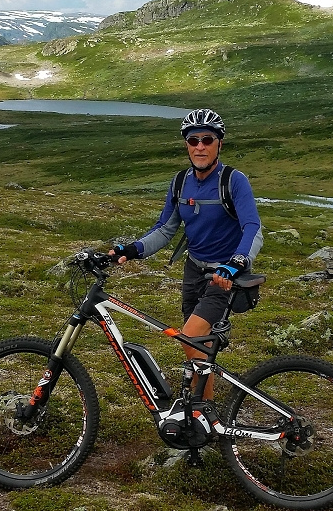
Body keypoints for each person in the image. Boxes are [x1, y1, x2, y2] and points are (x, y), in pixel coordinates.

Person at [109, 108, 263, 400]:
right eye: (194, 141)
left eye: (207, 139)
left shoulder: (233, 180)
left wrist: (237, 262)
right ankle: (204, 410)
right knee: (194, 344)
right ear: (186, 145)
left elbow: (252, 227)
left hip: (222, 275)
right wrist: (131, 249)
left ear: (220, 143)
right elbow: (165, 230)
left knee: (191, 335)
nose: (200, 146)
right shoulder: (180, 182)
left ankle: (202, 410)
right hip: (193, 271)